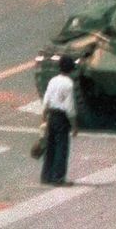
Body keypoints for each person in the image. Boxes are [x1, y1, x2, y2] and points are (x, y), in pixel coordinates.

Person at [41, 55, 78, 186]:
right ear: (71, 69)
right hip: (62, 117)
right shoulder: (68, 84)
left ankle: (46, 175)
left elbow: (46, 100)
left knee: (50, 146)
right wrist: (74, 126)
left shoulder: (53, 80)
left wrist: (44, 118)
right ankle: (58, 177)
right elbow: (70, 107)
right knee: (62, 147)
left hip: (52, 115)